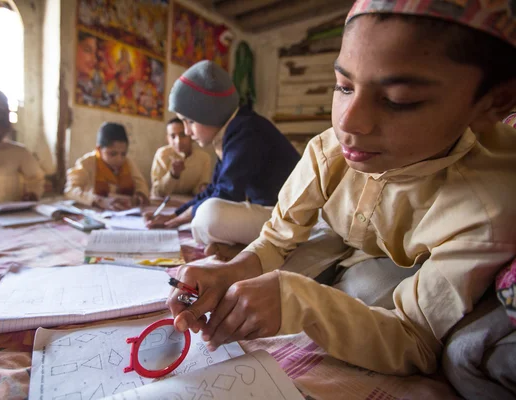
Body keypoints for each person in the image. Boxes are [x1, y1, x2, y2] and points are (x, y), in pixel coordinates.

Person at [167, 0, 516, 377]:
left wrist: (303, 303)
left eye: (399, 100)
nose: (349, 123)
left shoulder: (486, 210)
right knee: (277, 276)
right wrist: (232, 270)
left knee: (362, 290)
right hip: (341, 238)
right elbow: (277, 239)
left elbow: (415, 341)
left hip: (392, 266)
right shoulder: (330, 148)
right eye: (343, 86)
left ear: (493, 104)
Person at [147, 60, 300, 259]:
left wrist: (182, 218)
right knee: (205, 210)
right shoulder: (232, 131)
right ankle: (238, 249)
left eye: (190, 121)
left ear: (210, 113)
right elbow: (215, 188)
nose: (187, 132)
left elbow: (227, 193)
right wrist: (174, 217)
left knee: (208, 215)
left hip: (292, 219)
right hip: (274, 212)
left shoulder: (247, 131)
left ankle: (250, 251)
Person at [64, 122, 149, 210]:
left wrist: (140, 195)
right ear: (99, 149)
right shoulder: (86, 163)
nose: (119, 159)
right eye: (113, 154)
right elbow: (70, 191)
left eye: (123, 154)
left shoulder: (128, 162)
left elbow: (141, 185)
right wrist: (99, 200)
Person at [150, 117, 211, 199]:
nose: (178, 141)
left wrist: (203, 188)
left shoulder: (204, 158)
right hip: (162, 202)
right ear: (167, 139)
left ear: (191, 136)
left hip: (187, 203)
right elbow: (157, 192)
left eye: (183, 135)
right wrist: (173, 175)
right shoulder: (162, 155)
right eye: (173, 136)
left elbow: (199, 190)